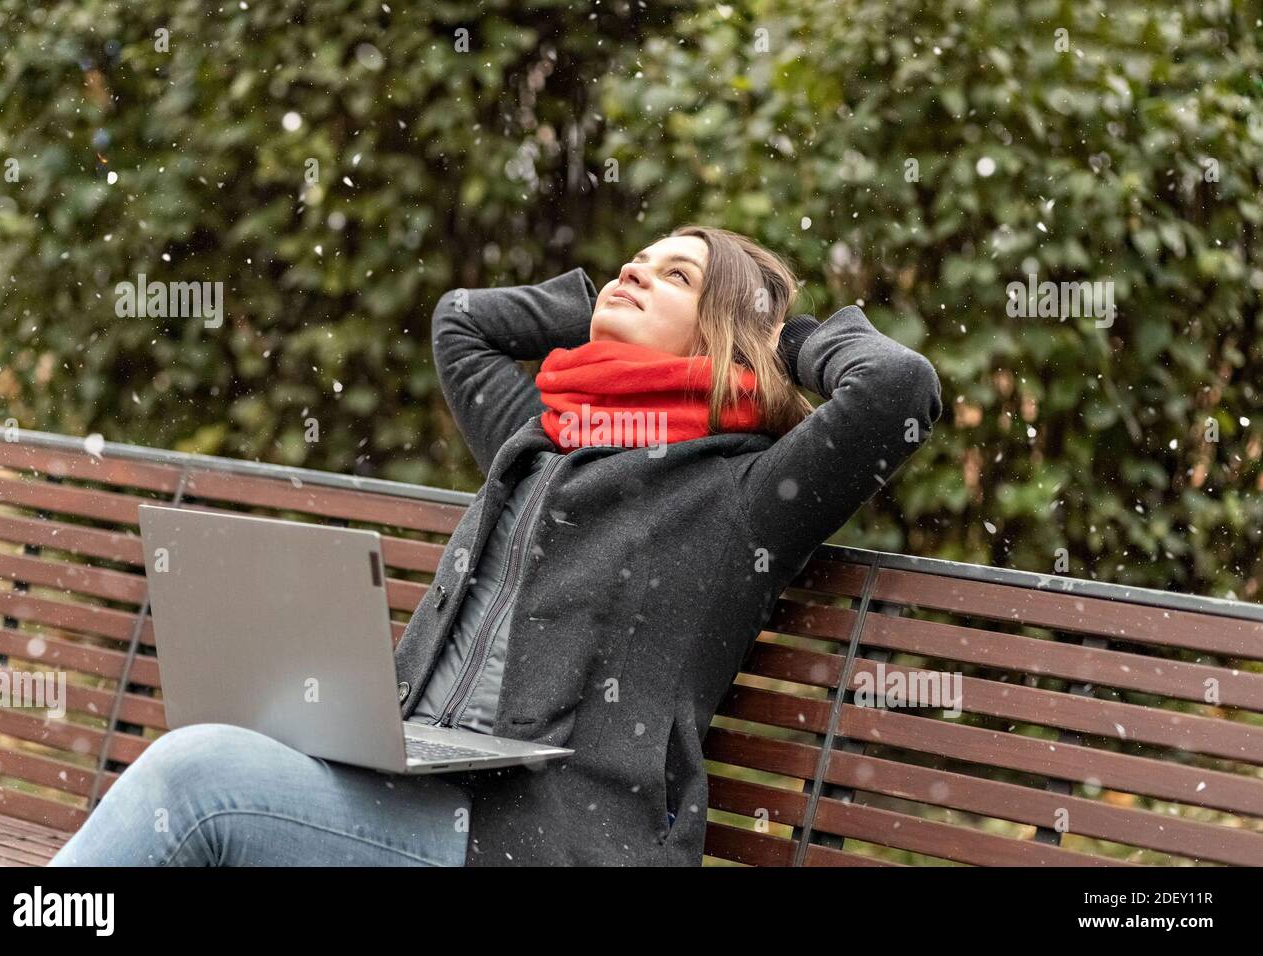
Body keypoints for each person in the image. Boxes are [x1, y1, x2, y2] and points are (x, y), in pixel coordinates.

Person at [49, 224, 941, 866]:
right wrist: (596, 303)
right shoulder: (546, 440)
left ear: (726, 337)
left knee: (196, 781)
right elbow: (460, 324)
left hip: (545, 842)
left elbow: (898, 390)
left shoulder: (746, 492)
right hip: (415, 793)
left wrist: (793, 340)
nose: (637, 268)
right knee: (216, 759)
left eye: (674, 276)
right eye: (640, 256)